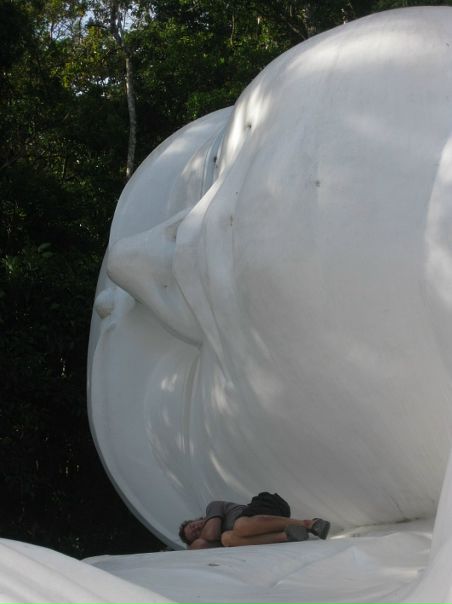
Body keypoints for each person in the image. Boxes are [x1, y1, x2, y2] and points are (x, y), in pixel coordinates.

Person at [179, 492, 330, 549]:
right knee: (227, 538)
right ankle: (288, 535)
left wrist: (200, 538)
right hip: (268, 528)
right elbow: (200, 546)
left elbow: (211, 534)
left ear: (195, 519)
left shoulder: (213, 507)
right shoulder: (219, 539)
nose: (197, 528)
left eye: (192, 526)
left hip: (267, 505)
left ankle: (309, 523)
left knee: (240, 526)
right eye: (195, 533)